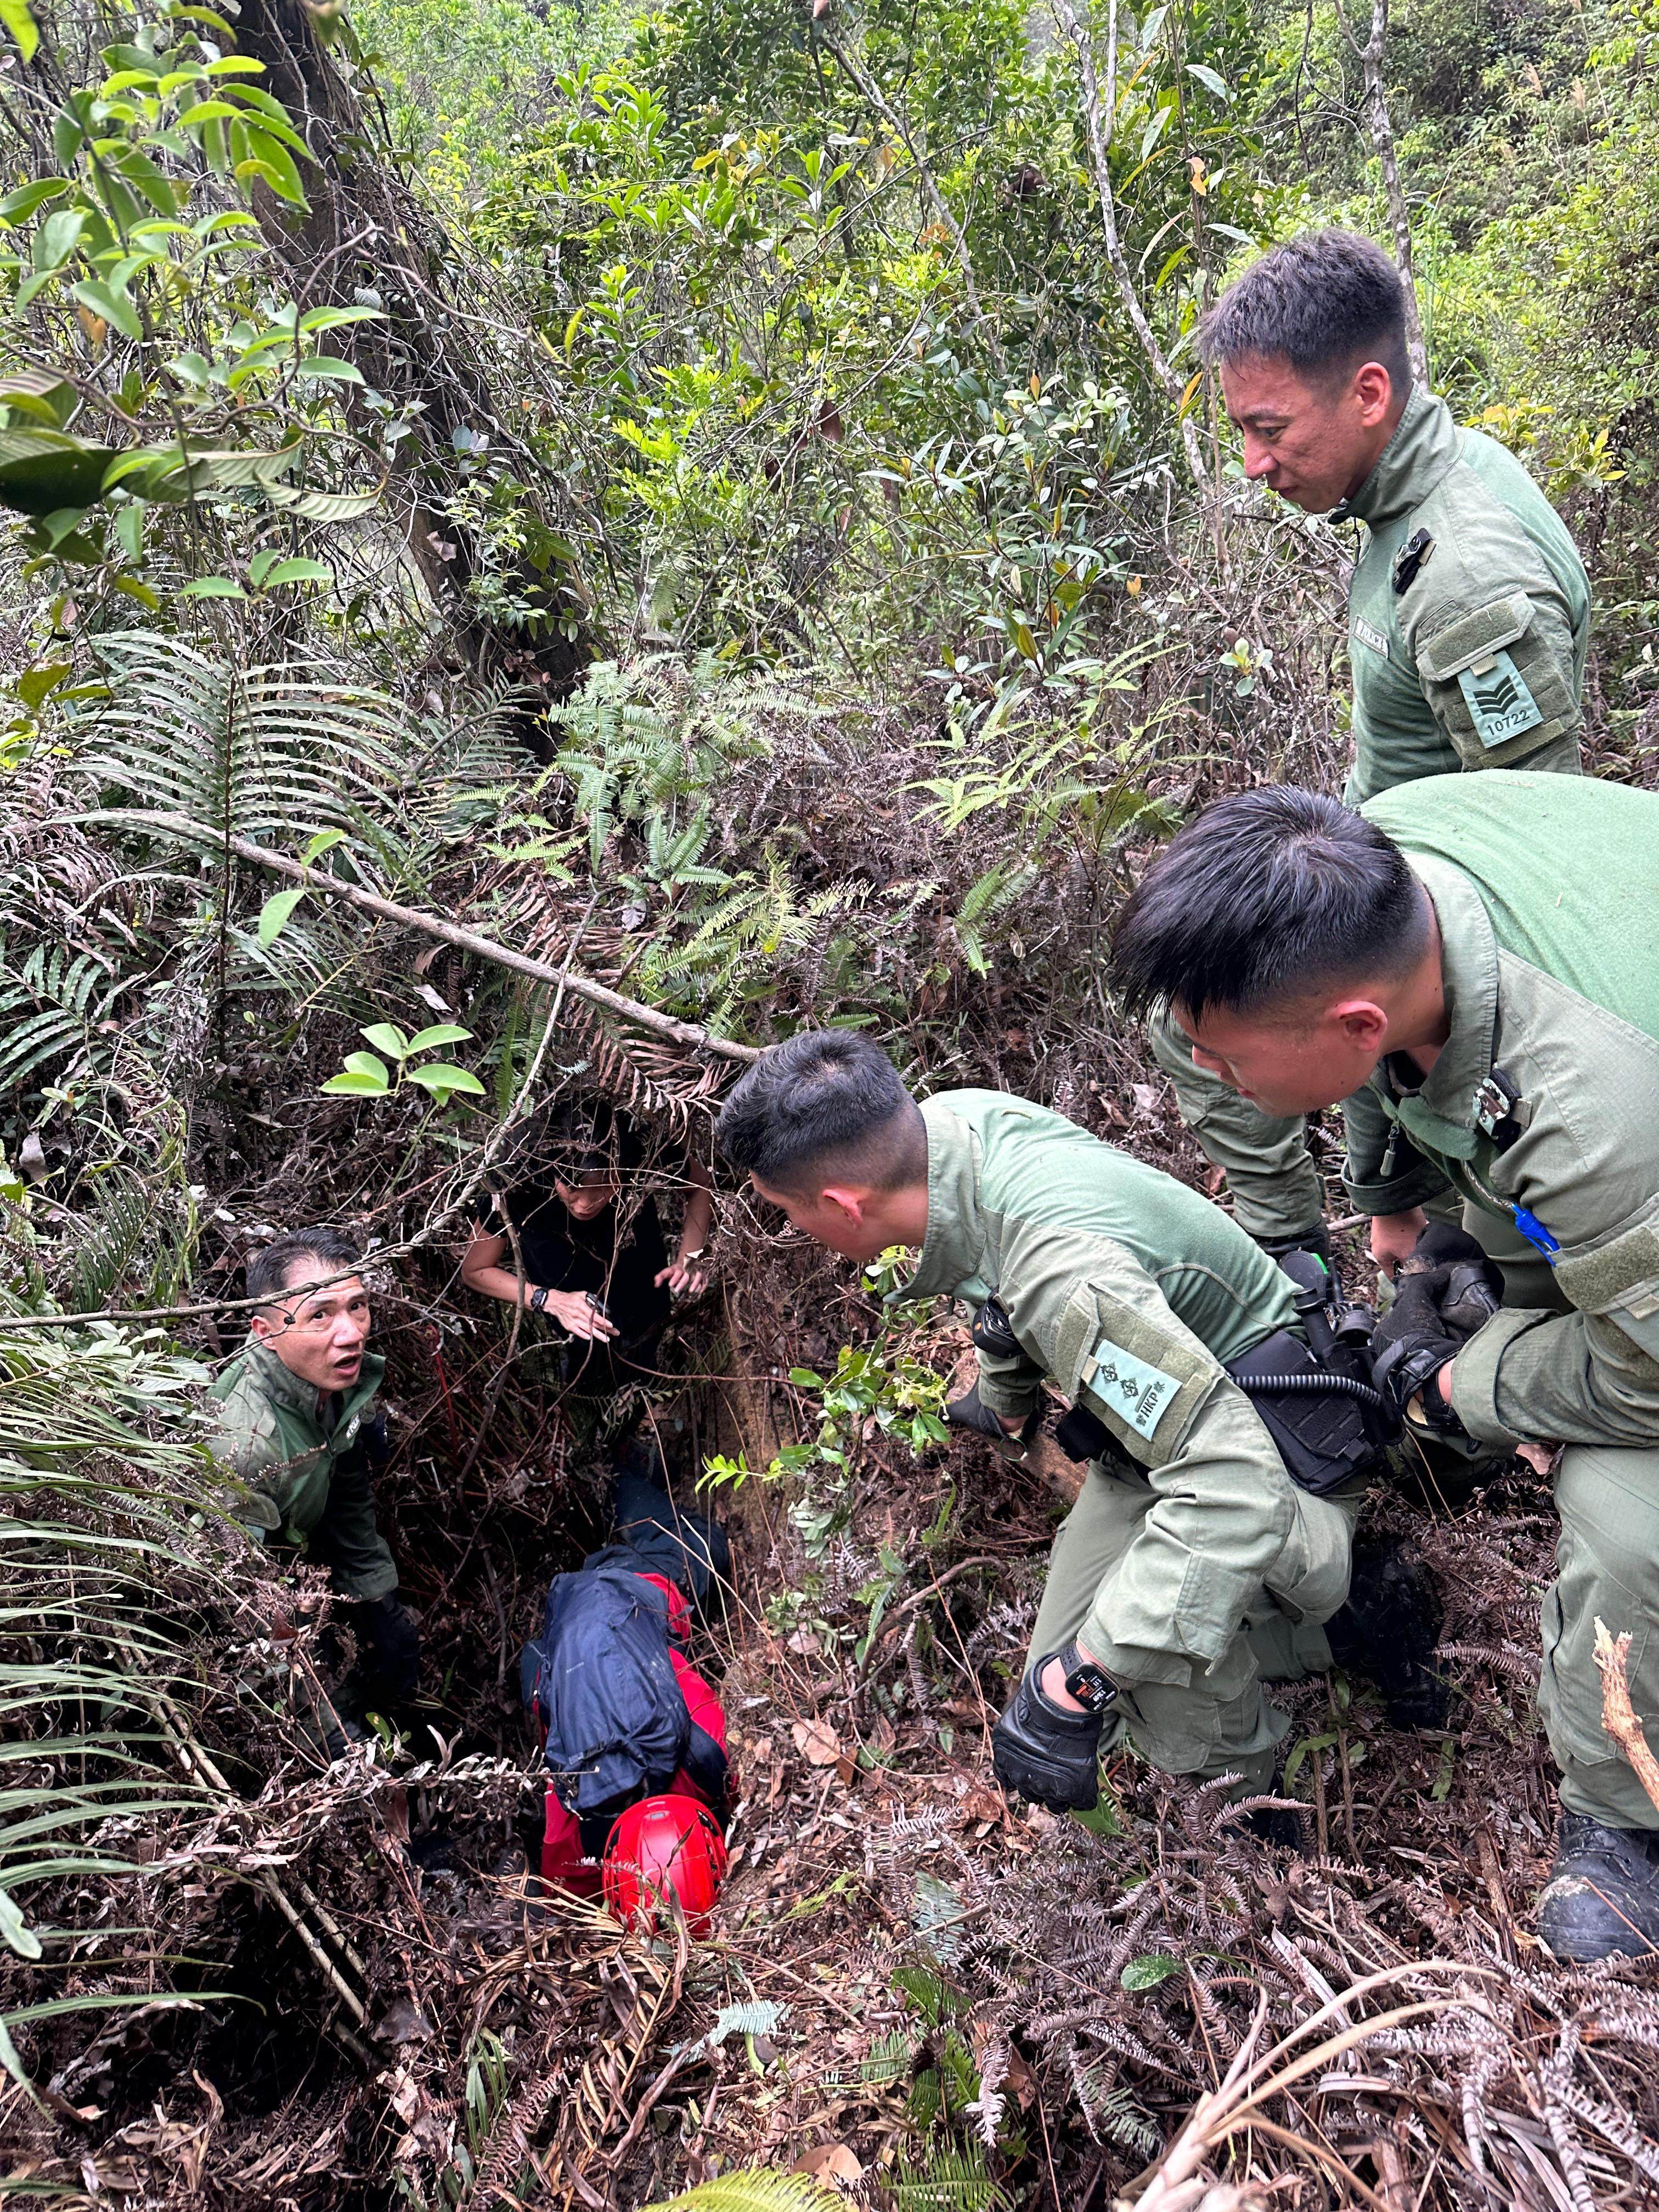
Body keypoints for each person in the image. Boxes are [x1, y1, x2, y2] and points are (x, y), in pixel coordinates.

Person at [1110, 772, 1659, 1957]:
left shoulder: (1590, 1113)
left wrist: (1464, 1384)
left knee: (1627, 1520)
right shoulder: (1380, 864)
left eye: (1228, 1062)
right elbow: (1400, 1065)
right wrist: (1397, 1205)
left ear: (1358, 1026)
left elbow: (1649, 1376)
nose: (1212, 1079)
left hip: (1635, 1161)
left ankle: (1624, 1822)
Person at [715, 1030, 1442, 1830]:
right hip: (1176, 1429)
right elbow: (996, 1292)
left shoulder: (1064, 1278)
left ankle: (1256, 1818)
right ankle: (1334, 1633)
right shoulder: (949, 1128)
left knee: (1126, 1670)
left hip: (1283, 1454)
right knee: (1062, 1663)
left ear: (841, 1205)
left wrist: (1082, 1681)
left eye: (787, 1213)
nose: (792, 1229)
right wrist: (1006, 1398)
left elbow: (1235, 1489)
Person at [1150, 228, 1592, 1269]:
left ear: (1366, 394)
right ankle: (1309, 1264)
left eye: (1268, 429)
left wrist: (1395, 1183)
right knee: (1188, 1002)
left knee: (1197, 1016)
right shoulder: (1415, 493)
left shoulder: (1466, 580)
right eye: (1240, 431)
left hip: (1426, 936)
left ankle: (1322, 1274)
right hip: (1397, 877)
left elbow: (1530, 871)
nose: (1252, 464)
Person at [210, 1229, 419, 1719]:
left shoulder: (330, 1376)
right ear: (266, 1332)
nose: (351, 1334)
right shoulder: (246, 1447)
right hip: (264, 1588)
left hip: (308, 1555)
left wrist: (376, 1595)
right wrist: (329, 1729)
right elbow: (243, 1609)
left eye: (357, 1307)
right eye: (320, 1315)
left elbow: (348, 1489)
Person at [461, 1103, 712, 1392]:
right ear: (552, 1171)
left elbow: (700, 1186)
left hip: (647, 1293)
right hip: (577, 1329)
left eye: (605, 1186)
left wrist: (690, 1257)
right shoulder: (518, 1181)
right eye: (573, 1188)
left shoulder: (637, 1149)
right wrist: (548, 1300)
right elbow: (475, 1270)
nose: (585, 1204)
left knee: (654, 1358)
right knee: (591, 1383)